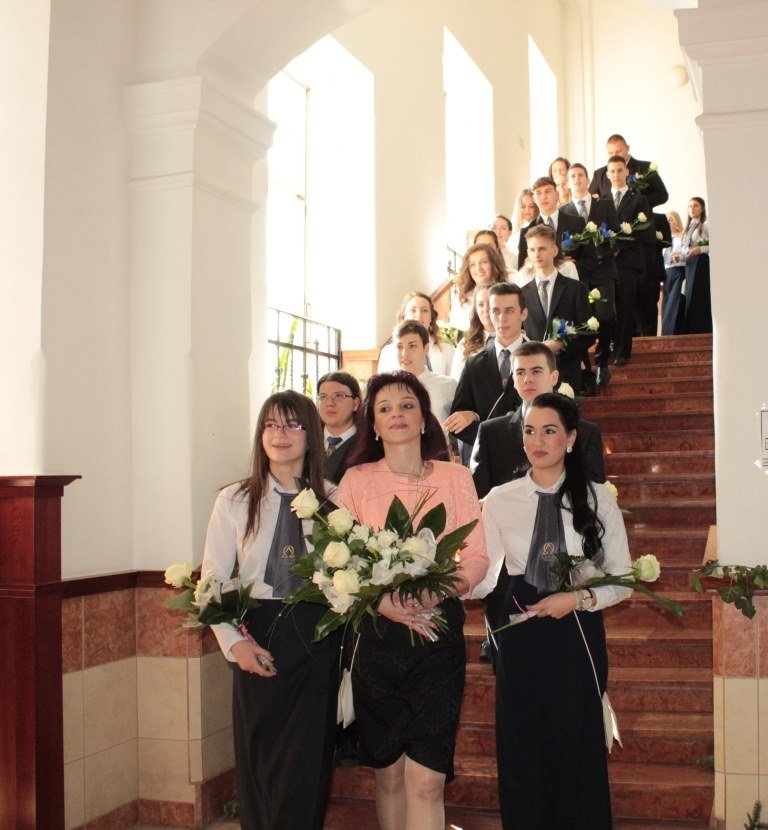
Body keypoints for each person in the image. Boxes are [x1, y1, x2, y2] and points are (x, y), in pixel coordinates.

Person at [336, 371, 488, 830]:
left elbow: (477, 557)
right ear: (373, 425)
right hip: (378, 639)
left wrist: (435, 590)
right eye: (384, 408)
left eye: (407, 405)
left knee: (426, 782)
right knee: (390, 777)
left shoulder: (456, 478)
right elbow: (335, 565)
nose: (396, 414)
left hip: (436, 639)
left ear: (425, 418)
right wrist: (383, 603)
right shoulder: (356, 481)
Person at [477, 392, 632, 829]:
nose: (538, 441)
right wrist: (437, 583)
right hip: (520, 627)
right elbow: (484, 575)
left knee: (575, 740)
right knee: (522, 742)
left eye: (549, 431)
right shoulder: (499, 499)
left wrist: (578, 599)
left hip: (577, 630)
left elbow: (622, 578)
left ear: (571, 437)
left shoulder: (598, 499)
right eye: (529, 431)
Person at [200, 391, 339, 830]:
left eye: (293, 424)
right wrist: (234, 644)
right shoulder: (234, 499)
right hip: (256, 632)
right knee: (259, 757)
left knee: (307, 760)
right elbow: (212, 579)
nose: (281, 434)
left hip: (317, 632)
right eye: (271, 424)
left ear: (311, 435)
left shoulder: (335, 499)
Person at [471, 341, 606, 669]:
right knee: (512, 674)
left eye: (536, 371)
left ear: (554, 377)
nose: (528, 379)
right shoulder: (491, 432)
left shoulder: (584, 432)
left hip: (568, 577)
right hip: (508, 579)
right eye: (520, 373)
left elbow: (593, 497)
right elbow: (477, 498)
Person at [446, 283, 527, 459]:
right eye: (496, 311)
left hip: (528, 456)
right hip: (484, 458)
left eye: (510, 311)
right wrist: (488, 438)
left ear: (523, 313)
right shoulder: (473, 365)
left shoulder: (540, 358)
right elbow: (457, 421)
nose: (502, 318)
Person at [562, 162, 620, 385]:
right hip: (578, 273)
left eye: (580, 175)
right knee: (582, 320)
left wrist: (606, 248)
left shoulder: (604, 204)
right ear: (567, 184)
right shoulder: (564, 211)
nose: (577, 179)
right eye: (572, 176)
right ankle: (585, 366)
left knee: (605, 316)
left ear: (588, 180)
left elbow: (615, 234)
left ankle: (602, 362)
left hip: (603, 270)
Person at [520, 224, 592, 392]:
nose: (536, 254)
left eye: (542, 249)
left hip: (567, 372)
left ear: (554, 250)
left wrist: (561, 345)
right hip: (532, 376)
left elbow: (588, 332)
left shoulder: (575, 289)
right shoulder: (521, 294)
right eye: (532, 250)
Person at [607, 154, 653, 365]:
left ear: (627, 172)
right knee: (609, 309)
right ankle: (610, 345)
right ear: (607, 174)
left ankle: (622, 351)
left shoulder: (638, 200)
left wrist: (619, 248)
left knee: (625, 307)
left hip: (628, 263)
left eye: (620, 170)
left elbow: (643, 232)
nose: (616, 174)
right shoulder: (602, 201)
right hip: (607, 263)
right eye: (612, 171)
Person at [393, 320, 458, 427]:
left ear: (426, 349)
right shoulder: (387, 388)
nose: (405, 353)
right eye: (400, 347)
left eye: (412, 346)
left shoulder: (448, 385)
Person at [517, 176, 585, 271]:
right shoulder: (527, 230)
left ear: (557, 194)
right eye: (538, 193)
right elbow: (522, 269)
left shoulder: (577, 223)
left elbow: (590, 261)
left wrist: (568, 266)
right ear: (534, 198)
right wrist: (556, 263)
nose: (543, 197)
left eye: (547, 191)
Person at [378, 292, 455, 376]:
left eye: (424, 310)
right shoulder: (388, 352)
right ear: (404, 316)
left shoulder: (446, 350)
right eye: (413, 310)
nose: (418, 316)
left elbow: (453, 382)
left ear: (431, 317)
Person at [589, 133, 669, 210]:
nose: (615, 155)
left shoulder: (646, 168)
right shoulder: (599, 174)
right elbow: (589, 200)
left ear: (627, 148)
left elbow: (662, 195)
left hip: (639, 218)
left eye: (618, 151)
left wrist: (637, 203)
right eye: (611, 153)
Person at [317, 371, 362, 485]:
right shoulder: (307, 440)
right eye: (323, 397)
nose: (329, 403)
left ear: (356, 404)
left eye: (338, 396)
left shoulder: (369, 446)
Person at [451, 243, 507, 331]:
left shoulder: (509, 294)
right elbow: (456, 331)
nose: (478, 268)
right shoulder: (460, 299)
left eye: (484, 262)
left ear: (493, 264)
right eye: (472, 264)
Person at [678, 196, 711, 334]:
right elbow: (686, 247)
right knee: (690, 294)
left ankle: (701, 327)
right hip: (690, 263)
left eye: (696, 205)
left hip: (701, 262)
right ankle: (691, 328)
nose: (692, 208)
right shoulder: (688, 227)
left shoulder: (706, 225)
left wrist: (700, 249)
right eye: (690, 206)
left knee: (699, 294)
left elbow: (715, 244)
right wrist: (679, 254)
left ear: (702, 208)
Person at [450, 285, 495, 382]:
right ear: (476, 310)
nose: (486, 309)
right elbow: (455, 381)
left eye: (491, 303)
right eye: (481, 305)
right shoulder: (465, 344)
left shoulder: (515, 338)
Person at [661, 210, 685, 335]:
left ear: (676, 221)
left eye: (670, 219)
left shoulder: (682, 237)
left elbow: (686, 252)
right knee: (666, 303)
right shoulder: (663, 240)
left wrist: (679, 256)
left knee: (674, 302)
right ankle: (666, 332)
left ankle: (674, 331)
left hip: (678, 270)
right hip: (666, 273)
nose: (668, 222)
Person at [509, 188, 539, 260]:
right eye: (523, 206)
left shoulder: (539, 226)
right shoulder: (513, 227)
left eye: (531, 206)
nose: (527, 210)